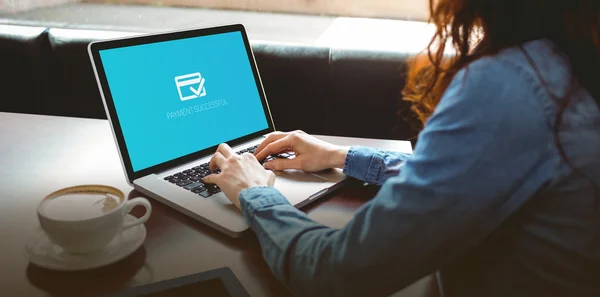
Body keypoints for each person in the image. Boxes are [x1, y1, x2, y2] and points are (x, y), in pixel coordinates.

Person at [202, 0, 600, 296]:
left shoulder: (511, 85)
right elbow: (472, 176)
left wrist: (255, 193)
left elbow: (334, 274)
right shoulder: (572, 62)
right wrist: (341, 156)